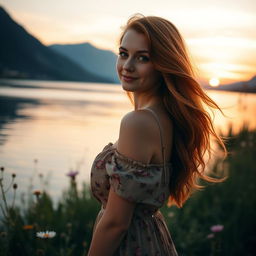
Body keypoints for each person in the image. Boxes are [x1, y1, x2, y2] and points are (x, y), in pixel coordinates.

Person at [88, 14, 226, 256]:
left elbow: (115, 223)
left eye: (143, 58)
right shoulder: (164, 117)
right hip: (151, 238)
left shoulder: (138, 123)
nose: (127, 66)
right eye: (123, 54)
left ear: (164, 64)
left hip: (130, 245)